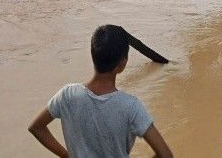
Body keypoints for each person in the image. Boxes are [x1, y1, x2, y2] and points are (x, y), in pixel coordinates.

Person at [28, 24, 173, 158]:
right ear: (122, 64)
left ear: (93, 56)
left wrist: (67, 155)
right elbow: (165, 154)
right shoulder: (131, 107)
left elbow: (36, 127)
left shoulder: (67, 95)